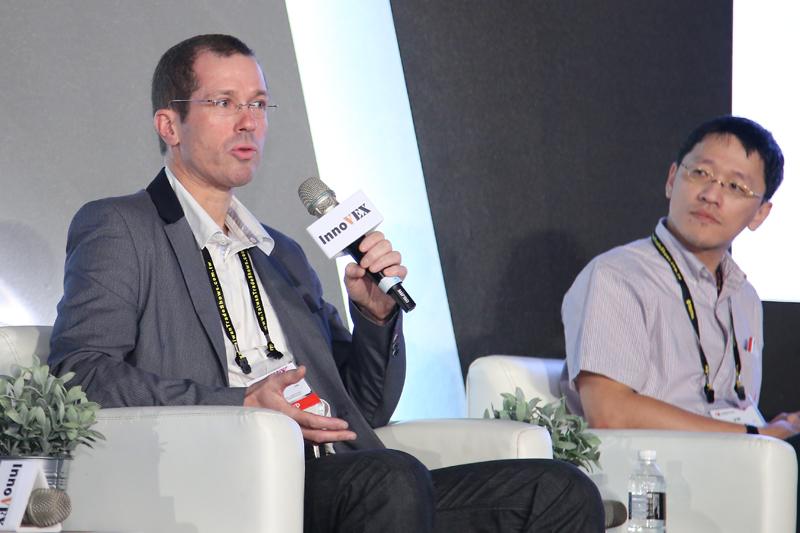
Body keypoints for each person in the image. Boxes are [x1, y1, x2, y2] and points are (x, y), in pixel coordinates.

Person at [50, 34, 603, 532]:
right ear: (169, 125)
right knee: (390, 478)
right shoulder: (122, 227)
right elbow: (81, 372)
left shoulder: (282, 254)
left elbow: (364, 405)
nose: (248, 122)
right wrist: (241, 403)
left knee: (557, 490)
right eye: (223, 103)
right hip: (225, 472)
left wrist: (374, 317)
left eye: (258, 104)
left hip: (342, 473)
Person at [561, 116, 800, 518]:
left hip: (737, 477)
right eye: (700, 173)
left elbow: (729, 407)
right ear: (673, 179)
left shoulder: (745, 298)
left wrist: (773, 428)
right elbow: (609, 412)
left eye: (735, 187)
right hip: (654, 489)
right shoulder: (617, 276)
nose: (711, 194)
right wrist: (754, 435)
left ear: (759, 214)